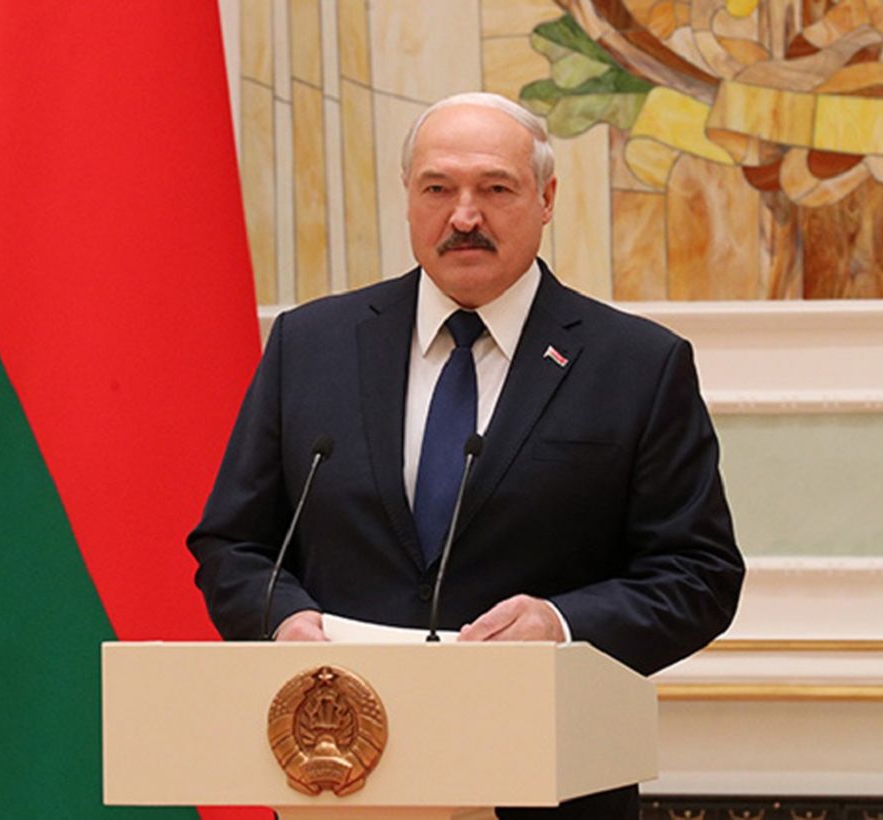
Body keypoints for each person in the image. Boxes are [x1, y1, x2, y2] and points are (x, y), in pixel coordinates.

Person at [188, 91, 743, 818]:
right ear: (408, 197)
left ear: (546, 199)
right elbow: (232, 544)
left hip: (548, 781)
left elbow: (699, 575)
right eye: (438, 189)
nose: (464, 217)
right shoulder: (311, 346)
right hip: (339, 781)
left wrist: (561, 625)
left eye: (495, 189)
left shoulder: (637, 365)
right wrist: (285, 621)